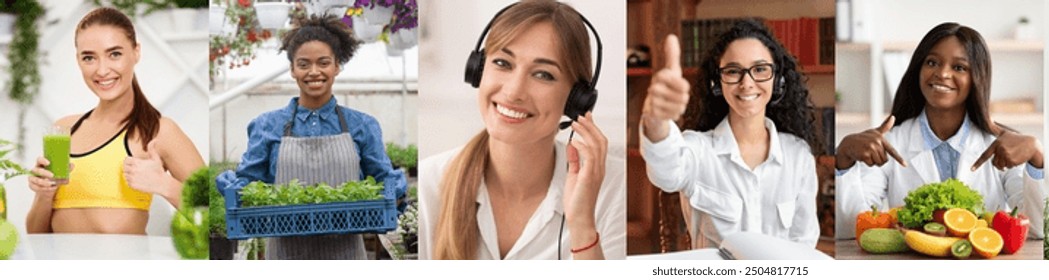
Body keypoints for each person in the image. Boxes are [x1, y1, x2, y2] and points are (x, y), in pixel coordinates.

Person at [419, 0, 625, 260]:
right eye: (503, 63)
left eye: (543, 75)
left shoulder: (613, 188)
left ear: (576, 99)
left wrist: (583, 225)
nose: (514, 91)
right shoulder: (429, 184)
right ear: (478, 70)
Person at [215, 14, 407, 260]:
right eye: (304, 64)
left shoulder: (363, 126)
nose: (314, 72)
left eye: (323, 62)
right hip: (285, 255)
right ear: (293, 69)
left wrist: (394, 192)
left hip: (346, 255)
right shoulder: (267, 126)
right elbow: (250, 184)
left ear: (337, 66)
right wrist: (233, 189)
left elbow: (383, 181)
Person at [835, 22, 1046, 240]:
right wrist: (843, 159)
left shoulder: (1000, 145)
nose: (942, 73)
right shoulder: (892, 142)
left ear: (977, 78)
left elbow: (1037, 230)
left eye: (959, 67)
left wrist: (1037, 158)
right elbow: (850, 229)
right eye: (932, 62)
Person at [640, 20, 822, 248]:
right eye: (734, 71)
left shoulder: (798, 155)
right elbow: (665, 171)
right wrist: (656, 120)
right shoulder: (698, 149)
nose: (747, 83)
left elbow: (803, 244)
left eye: (760, 69)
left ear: (778, 79)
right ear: (718, 82)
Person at [27, 7, 204, 235]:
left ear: (136, 52)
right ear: (79, 61)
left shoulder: (158, 131)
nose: (102, 70)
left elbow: (214, 215)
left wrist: (165, 185)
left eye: (115, 54)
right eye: (89, 57)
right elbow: (36, 234)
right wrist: (44, 194)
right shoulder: (63, 130)